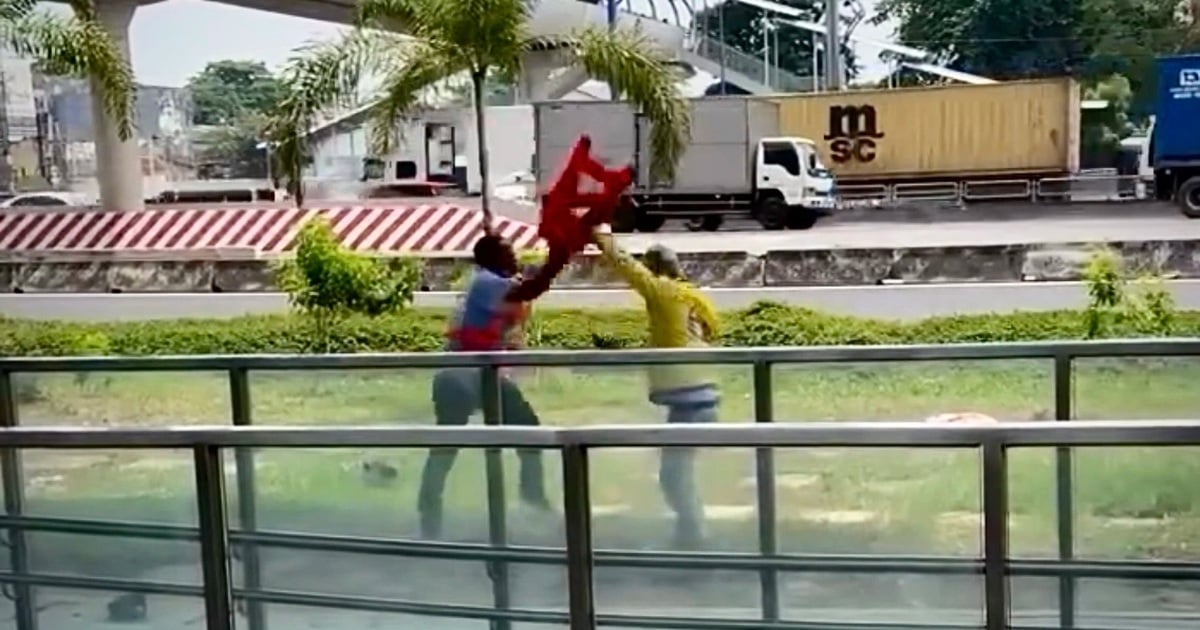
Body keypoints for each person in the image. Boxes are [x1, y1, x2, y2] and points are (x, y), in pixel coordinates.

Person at [418, 233, 563, 539]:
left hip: (485, 376)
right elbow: (531, 288)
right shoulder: (486, 282)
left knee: (529, 432)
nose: (514, 257)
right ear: (492, 258)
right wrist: (558, 259)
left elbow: (526, 288)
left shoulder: (494, 281)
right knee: (446, 448)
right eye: (508, 252)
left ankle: (531, 494)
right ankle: (428, 506)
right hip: (459, 379)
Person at [591, 223, 721, 549]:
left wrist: (601, 236)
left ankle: (694, 535)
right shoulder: (690, 294)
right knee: (678, 473)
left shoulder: (663, 291)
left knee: (673, 475)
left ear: (656, 268)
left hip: (690, 399)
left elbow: (626, 266)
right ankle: (690, 531)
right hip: (698, 397)